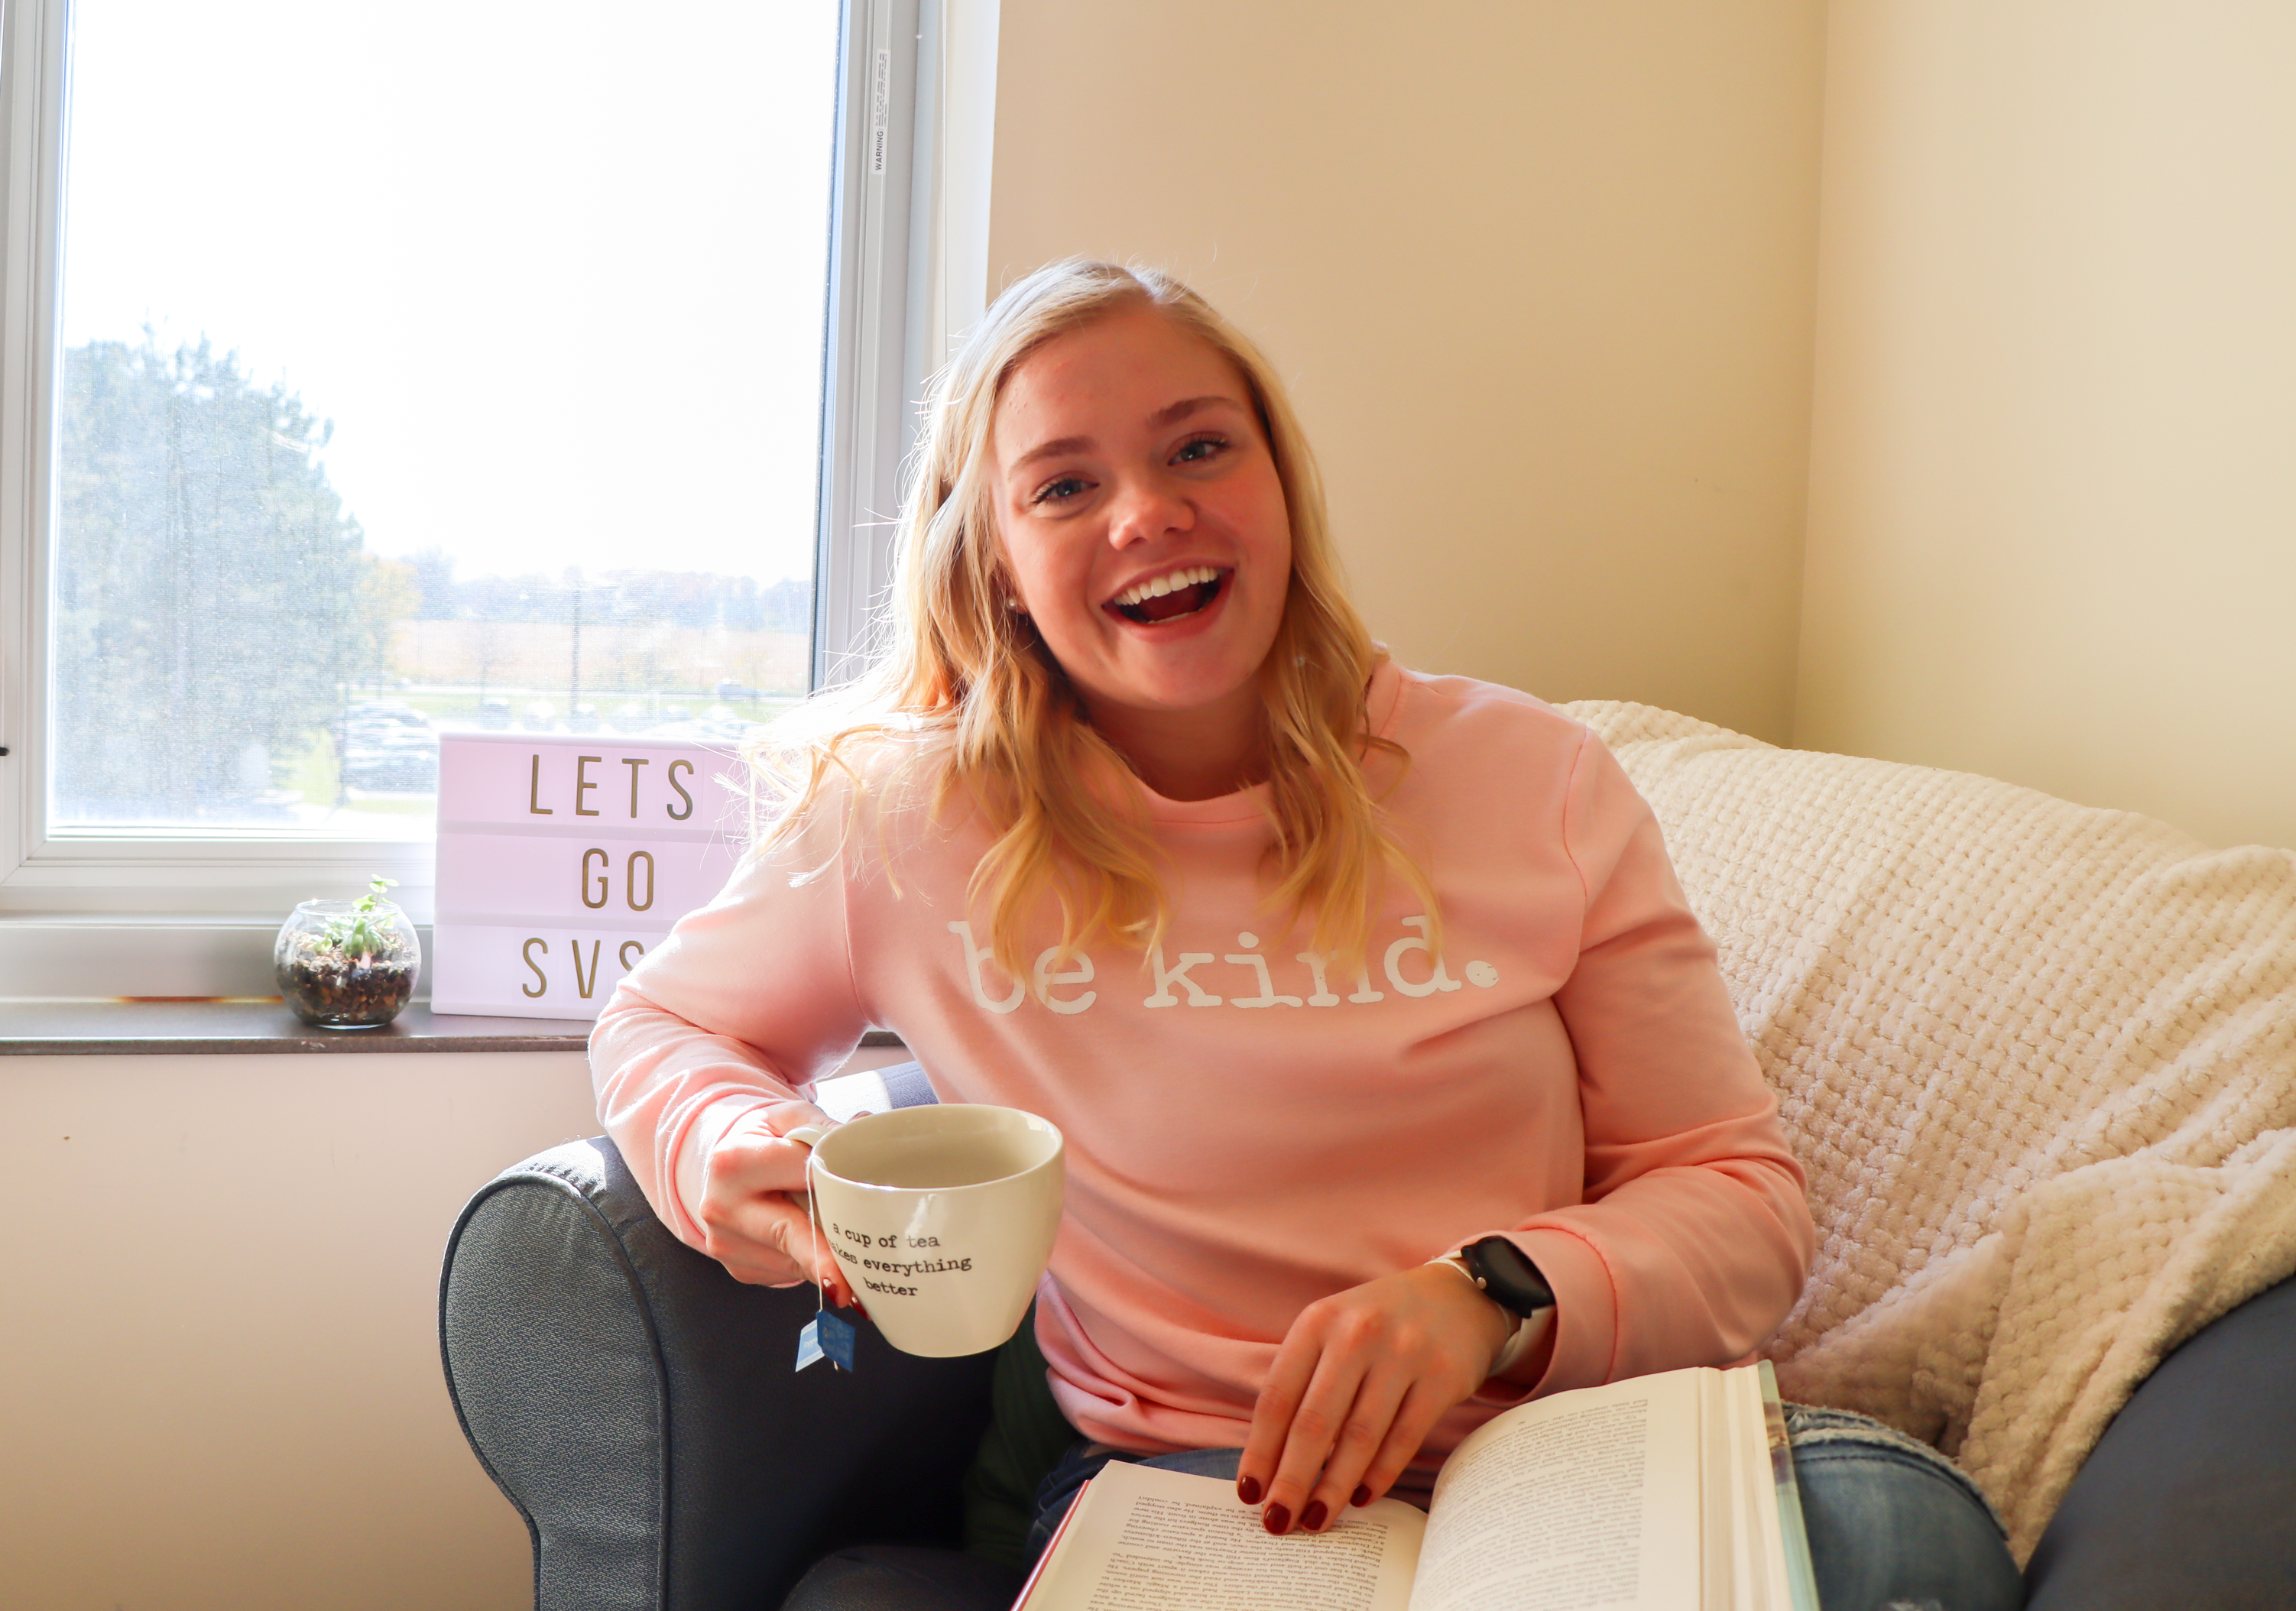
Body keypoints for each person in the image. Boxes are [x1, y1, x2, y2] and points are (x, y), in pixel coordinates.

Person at [592, 258, 2022, 1610]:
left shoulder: (1532, 777)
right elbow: (665, 1026)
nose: (1146, 512)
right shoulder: (902, 826)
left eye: (1200, 448)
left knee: (1910, 1543)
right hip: (1202, 1482)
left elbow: (1736, 1192)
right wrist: (724, 1148)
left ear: (1281, 486)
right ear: (997, 563)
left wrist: (1490, 1294)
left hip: (1571, 1448)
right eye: (1067, 484)